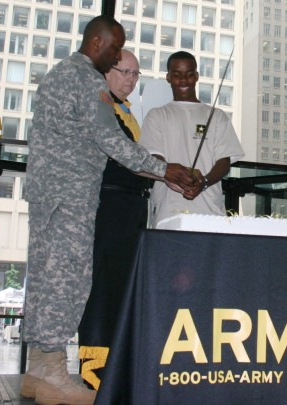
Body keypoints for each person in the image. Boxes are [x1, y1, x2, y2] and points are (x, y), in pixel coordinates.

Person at [21, 16, 196, 405]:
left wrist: (159, 171)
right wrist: (164, 169)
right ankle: (53, 376)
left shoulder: (60, 73)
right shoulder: (86, 79)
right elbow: (108, 138)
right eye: (116, 49)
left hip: (49, 194)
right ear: (97, 42)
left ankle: (36, 370)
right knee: (66, 282)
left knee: (46, 279)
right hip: (71, 197)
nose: (118, 55)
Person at [76, 49, 150, 388]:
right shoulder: (100, 107)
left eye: (136, 74)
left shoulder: (126, 111)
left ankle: (116, 368)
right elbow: (119, 161)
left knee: (122, 290)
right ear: (106, 71)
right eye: (125, 72)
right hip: (108, 207)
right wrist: (159, 167)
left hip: (130, 211)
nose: (131, 80)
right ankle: (93, 372)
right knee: (102, 290)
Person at [139, 51, 245, 227]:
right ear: (168, 77)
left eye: (189, 75)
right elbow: (153, 158)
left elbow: (224, 161)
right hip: (168, 210)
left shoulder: (217, 116)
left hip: (210, 211)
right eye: (177, 75)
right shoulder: (157, 115)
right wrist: (176, 178)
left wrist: (204, 182)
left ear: (196, 76)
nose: (183, 81)